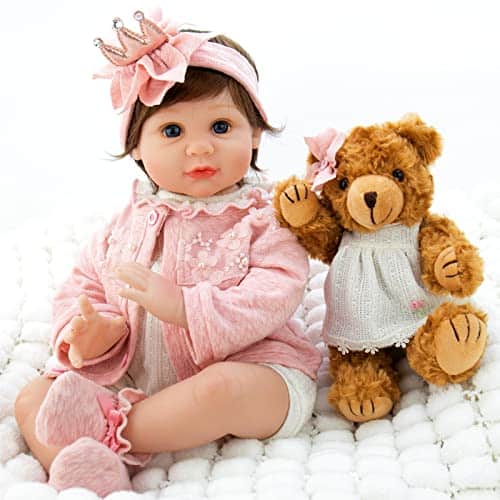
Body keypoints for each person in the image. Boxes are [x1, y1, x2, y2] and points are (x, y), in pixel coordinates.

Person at [14, 8, 321, 496]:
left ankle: (110, 434)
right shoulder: (128, 220)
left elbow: (276, 291)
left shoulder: (266, 218)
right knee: (34, 398)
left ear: (255, 133)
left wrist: (183, 306)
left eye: (220, 127)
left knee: (223, 388)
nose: (199, 148)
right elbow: (85, 284)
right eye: (173, 131)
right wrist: (91, 333)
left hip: (256, 370)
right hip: (136, 376)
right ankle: (86, 467)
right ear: (136, 146)